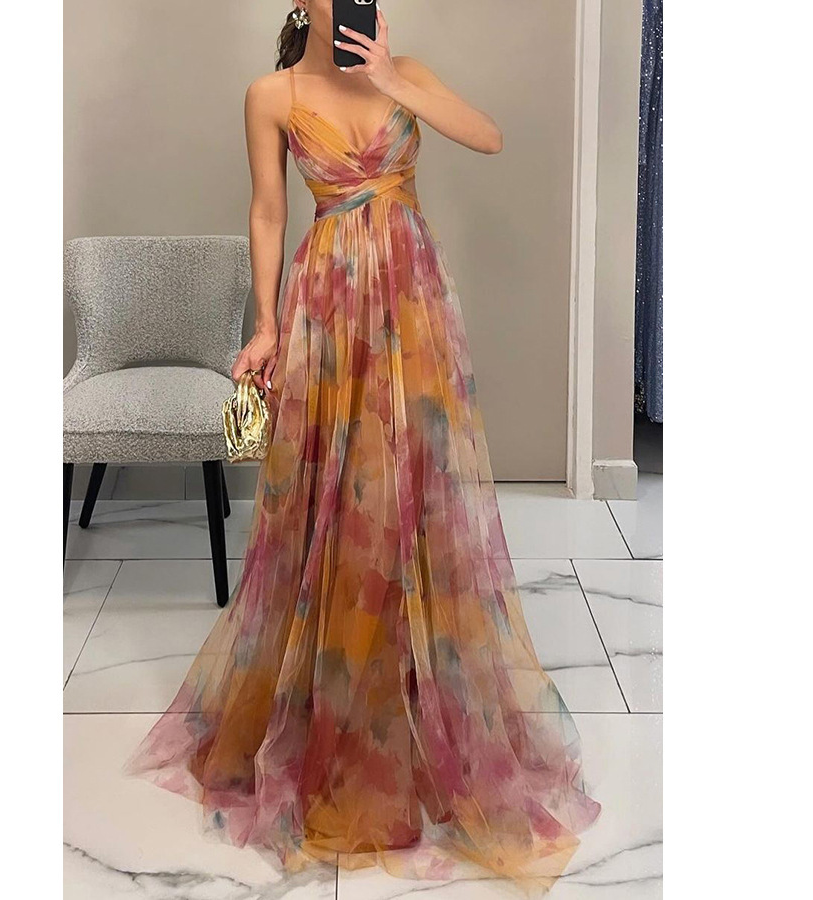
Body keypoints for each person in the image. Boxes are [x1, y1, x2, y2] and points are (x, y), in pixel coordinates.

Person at [125, 2, 600, 892]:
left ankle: (415, 701)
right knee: (335, 501)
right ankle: (338, 713)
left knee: (413, 496)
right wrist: (267, 326)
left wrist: (387, 79)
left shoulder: (405, 72)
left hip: (412, 307)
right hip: (329, 308)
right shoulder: (270, 94)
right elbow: (269, 212)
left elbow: (489, 137)